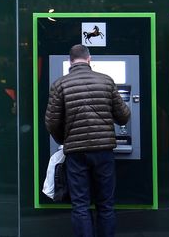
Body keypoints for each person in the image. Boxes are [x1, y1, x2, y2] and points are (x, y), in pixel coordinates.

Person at [44, 44, 130, 237]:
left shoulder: (60, 84)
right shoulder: (107, 81)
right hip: (103, 150)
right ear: (89, 59)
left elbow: (51, 122)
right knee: (106, 204)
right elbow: (124, 116)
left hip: (76, 152)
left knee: (80, 205)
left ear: (70, 62)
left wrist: (65, 140)